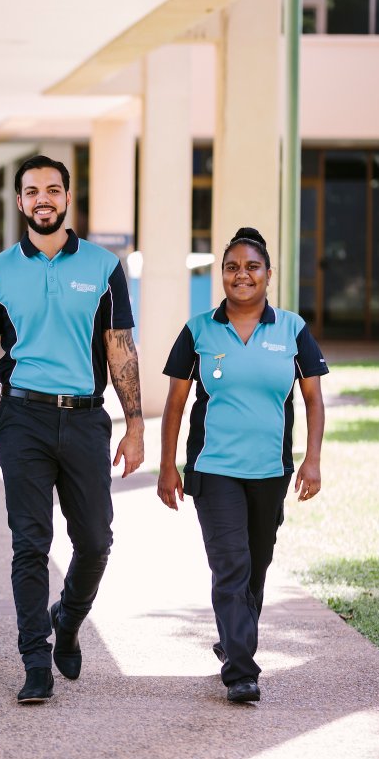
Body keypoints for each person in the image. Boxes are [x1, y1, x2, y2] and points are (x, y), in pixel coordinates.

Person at [0, 155, 144, 704]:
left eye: (52, 189)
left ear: (68, 198)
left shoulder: (103, 266)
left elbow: (120, 348)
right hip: (23, 418)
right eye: (32, 191)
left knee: (94, 540)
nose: (42, 198)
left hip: (87, 417)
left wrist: (135, 423)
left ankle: (67, 620)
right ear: (19, 202)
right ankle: (35, 660)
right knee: (29, 543)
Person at [158, 227, 326, 704]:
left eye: (252, 266)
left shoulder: (292, 329)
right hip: (214, 470)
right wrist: (169, 466)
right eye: (232, 267)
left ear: (268, 275)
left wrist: (312, 460)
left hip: (270, 472)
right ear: (222, 276)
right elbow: (175, 404)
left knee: (256, 568)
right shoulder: (199, 329)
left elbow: (312, 399)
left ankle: (232, 639)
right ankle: (242, 671)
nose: (242, 275)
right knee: (231, 566)